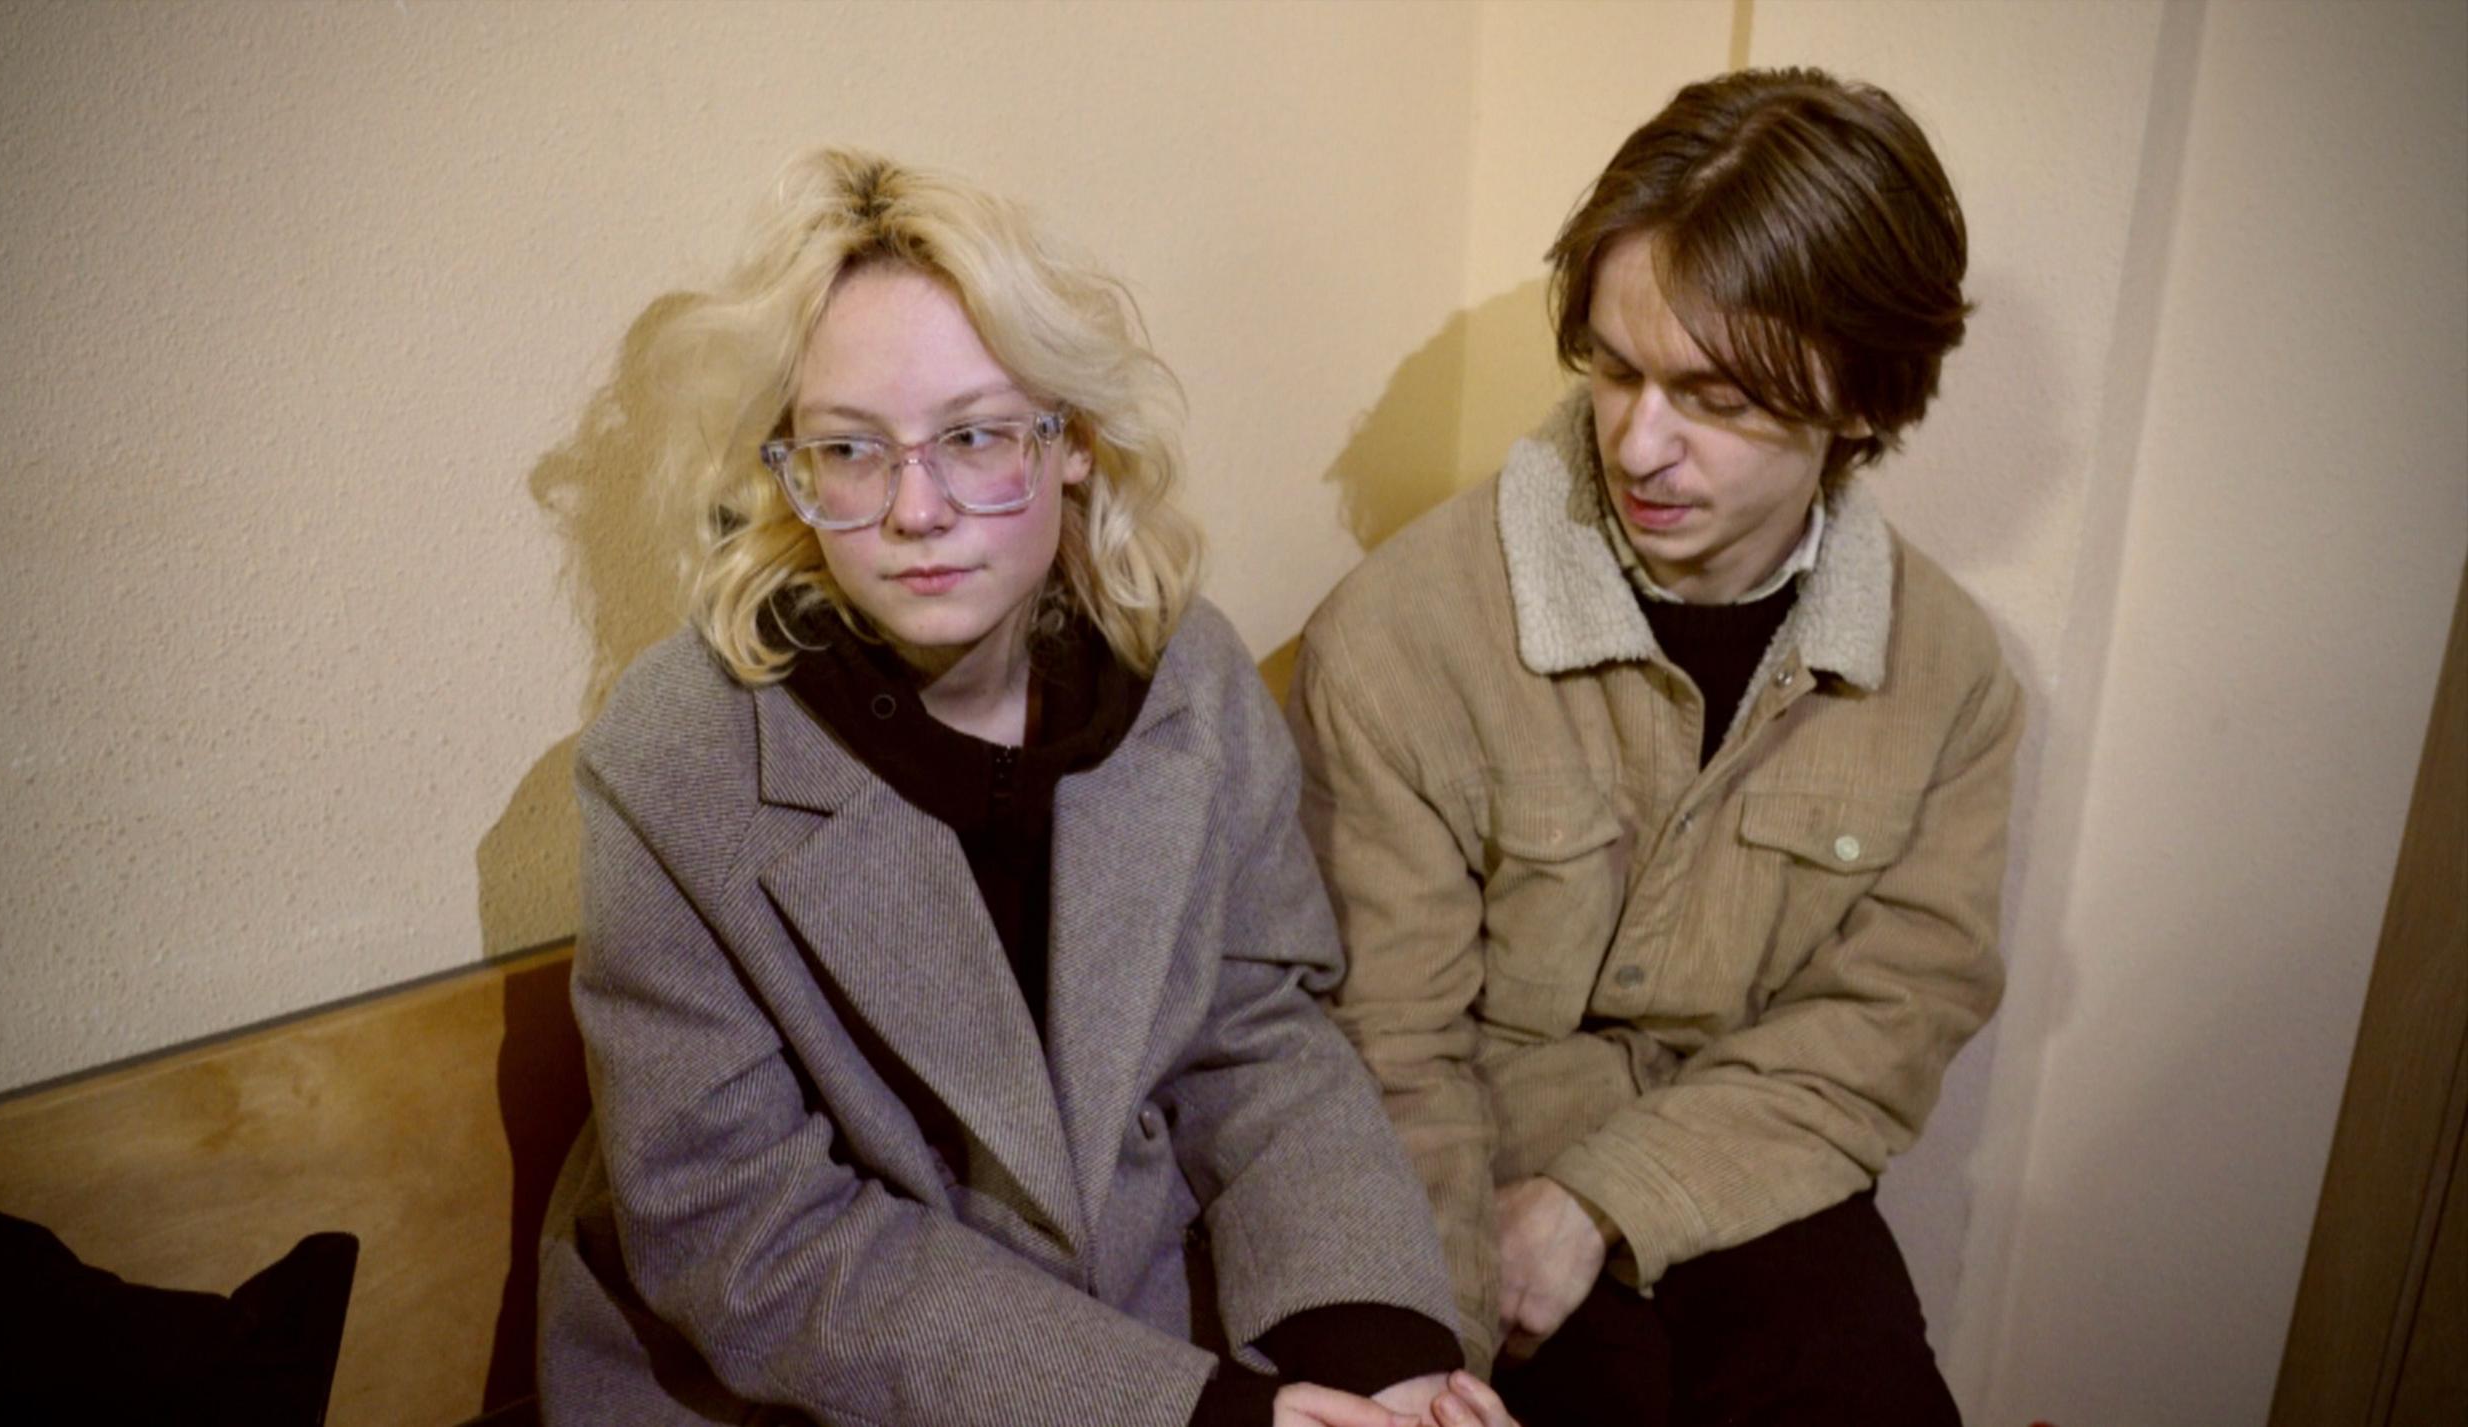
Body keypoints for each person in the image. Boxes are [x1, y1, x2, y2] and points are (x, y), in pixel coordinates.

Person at [536, 148, 1516, 1427]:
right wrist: (1198, 1415)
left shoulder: (1188, 675)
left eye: (975, 437)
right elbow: (751, 1240)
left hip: (1145, 1339)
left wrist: (1379, 1346)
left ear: (1072, 444)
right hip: (800, 1386)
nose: (916, 509)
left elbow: (1260, 1039)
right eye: (850, 449)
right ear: (788, 469)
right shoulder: (678, 754)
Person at [1290, 69, 2021, 1426]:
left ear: (1861, 401)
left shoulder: (1954, 675)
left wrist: (1606, 1199)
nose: (1643, 441)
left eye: (1719, 398)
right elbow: (1389, 1052)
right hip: (1472, 1197)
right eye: (1617, 369)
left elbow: (1887, 1022)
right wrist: (1431, 1354)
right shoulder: (1399, 635)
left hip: (1757, 1173)